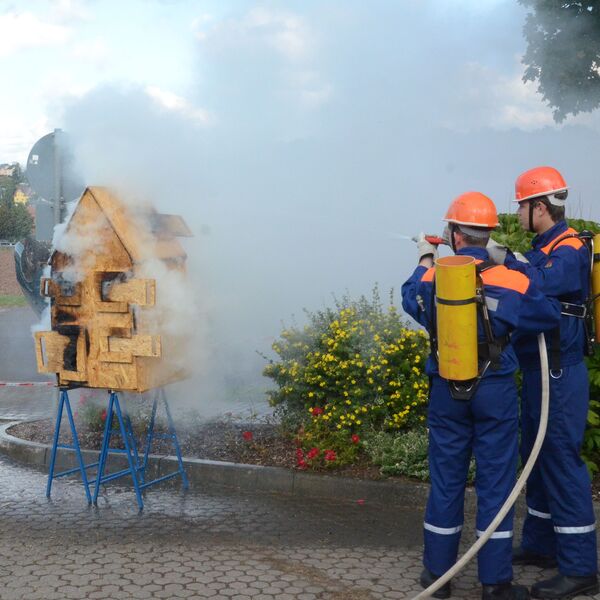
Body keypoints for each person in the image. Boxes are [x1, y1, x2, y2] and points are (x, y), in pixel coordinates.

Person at [402, 191, 561, 600]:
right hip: (495, 392)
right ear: (488, 233)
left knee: (446, 483)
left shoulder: (434, 278)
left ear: (454, 234)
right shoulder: (511, 279)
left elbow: (410, 296)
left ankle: (436, 576)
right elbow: (545, 316)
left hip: (446, 392)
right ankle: (495, 583)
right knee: (495, 485)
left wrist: (425, 256)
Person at [488, 166, 598, 600]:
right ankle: (541, 545)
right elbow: (534, 268)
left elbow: (546, 281)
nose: (516, 212)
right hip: (539, 370)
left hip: (561, 372)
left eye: (520, 205)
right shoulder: (546, 246)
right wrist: (508, 257)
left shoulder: (569, 248)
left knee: (560, 461)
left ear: (539, 206)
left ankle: (580, 568)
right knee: (533, 456)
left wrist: (503, 263)